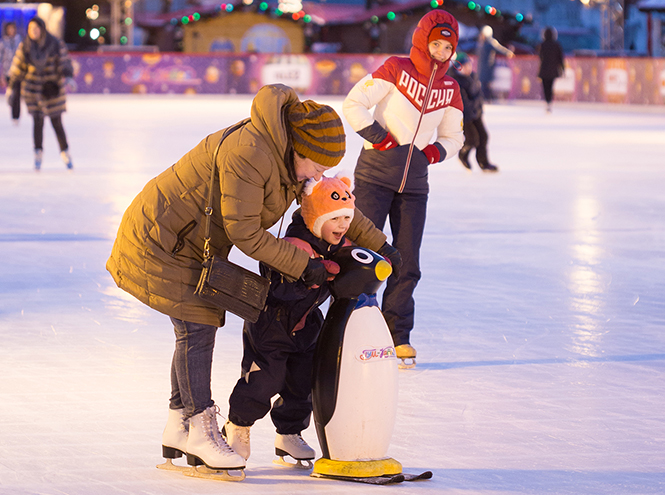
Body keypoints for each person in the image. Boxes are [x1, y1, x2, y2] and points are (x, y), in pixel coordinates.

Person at [106, 84, 399, 474]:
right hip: (162, 239)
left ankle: (179, 424)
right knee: (197, 323)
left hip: (191, 241)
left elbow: (328, 201)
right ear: (298, 148)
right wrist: (302, 264)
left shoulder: (289, 157)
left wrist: (382, 244)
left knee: (193, 325)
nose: (319, 175)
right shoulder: (250, 153)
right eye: (316, 165)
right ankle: (198, 427)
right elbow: (245, 233)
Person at [224, 173, 373, 464]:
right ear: (317, 219)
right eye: (335, 219)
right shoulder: (292, 245)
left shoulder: (336, 245)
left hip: (306, 327)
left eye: (346, 218)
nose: (342, 226)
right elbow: (276, 286)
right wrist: (308, 278)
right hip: (272, 326)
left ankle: (289, 433)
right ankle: (237, 425)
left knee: (303, 383)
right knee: (263, 381)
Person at [342, 9, 464, 366]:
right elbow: (354, 104)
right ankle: (350, 324)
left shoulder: (450, 87)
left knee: (407, 262)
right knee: (361, 254)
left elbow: (455, 135)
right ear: (423, 41)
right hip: (374, 177)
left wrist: (432, 153)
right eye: (436, 44)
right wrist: (378, 138)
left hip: (414, 186)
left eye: (448, 47)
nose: (442, 52)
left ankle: (398, 336)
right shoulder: (397, 68)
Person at [6, 16, 76, 171]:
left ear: (42, 29)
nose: (33, 32)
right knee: (37, 123)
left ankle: (65, 152)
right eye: (30, 29)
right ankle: (38, 153)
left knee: (56, 122)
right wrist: (12, 86)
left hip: (52, 90)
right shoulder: (26, 46)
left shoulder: (55, 44)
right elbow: (17, 67)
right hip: (33, 91)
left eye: (36, 29)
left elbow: (64, 61)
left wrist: (67, 75)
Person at [447, 52, 498, 173]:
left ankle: (483, 162)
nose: (468, 68)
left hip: (476, 113)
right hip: (463, 116)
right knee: (472, 139)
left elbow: (478, 96)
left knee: (483, 136)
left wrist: (478, 109)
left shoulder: (472, 77)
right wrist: (474, 106)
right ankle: (463, 154)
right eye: (465, 66)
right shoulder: (455, 81)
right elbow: (464, 103)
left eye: (469, 65)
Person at [475, 25, 514, 102]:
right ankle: (485, 98)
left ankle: (487, 98)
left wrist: (507, 52)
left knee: (486, 84)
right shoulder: (482, 43)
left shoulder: (490, 42)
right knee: (483, 83)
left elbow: (499, 48)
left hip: (487, 67)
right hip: (482, 66)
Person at [538, 26, 565, 113]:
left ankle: (547, 102)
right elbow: (560, 58)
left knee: (545, 87)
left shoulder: (542, 45)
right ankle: (549, 102)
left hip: (544, 70)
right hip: (553, 70)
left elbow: (540, 56)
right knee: (550, 86)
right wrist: (562, 69)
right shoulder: (557, 45)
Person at [1, 21, 22, 123]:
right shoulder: (3, 42)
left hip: (18, 72)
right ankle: (11, 102)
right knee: (12, 93)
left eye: (12, 28)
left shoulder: (20, 41)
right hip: (7, 72)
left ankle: (16, 116)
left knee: (17, 94)